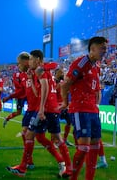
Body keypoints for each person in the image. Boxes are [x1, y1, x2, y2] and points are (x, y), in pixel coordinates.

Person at [6, 50, 71, 178]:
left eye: (31, 59)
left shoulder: (40, 70)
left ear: (37, 60)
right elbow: (36, 92)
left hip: (44, 110)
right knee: (52, 138)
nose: (29, 62)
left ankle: (24, 167)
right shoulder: (35, 73)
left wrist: (41, 109)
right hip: (48, 109)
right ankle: (67, 166)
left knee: (30, 135)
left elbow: (45, 87)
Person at [61, 36, 108, 180]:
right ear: (92, 49)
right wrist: (65, 103)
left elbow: (96, 90)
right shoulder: (82, 63)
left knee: (94, 147)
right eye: (102, 48)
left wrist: (96, 104)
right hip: (80, 109)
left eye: (105, 48)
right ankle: (73, 177)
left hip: (93, 111)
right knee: (84, 148)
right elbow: (66, 84)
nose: (104, 51)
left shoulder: (97, 67)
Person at [2, 52, 29, 128]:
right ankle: (7, 118)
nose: (19, 65)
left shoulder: (30, 72)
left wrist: (9, 97)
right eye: (18, 64)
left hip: (27, 94)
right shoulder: (16, 75)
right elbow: (20, 89)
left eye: (19, 63)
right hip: (20, 96)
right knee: (19, 112)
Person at [54, 68, 74, 147]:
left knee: (69, 121)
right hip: (56, 106)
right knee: (55, 124)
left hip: (64, 106)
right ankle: (55, 141)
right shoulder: (54, 82)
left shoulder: (63, 82)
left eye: (62, 72)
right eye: (60, 72)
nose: (62, 74)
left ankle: (65, 139)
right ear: (57, 74)